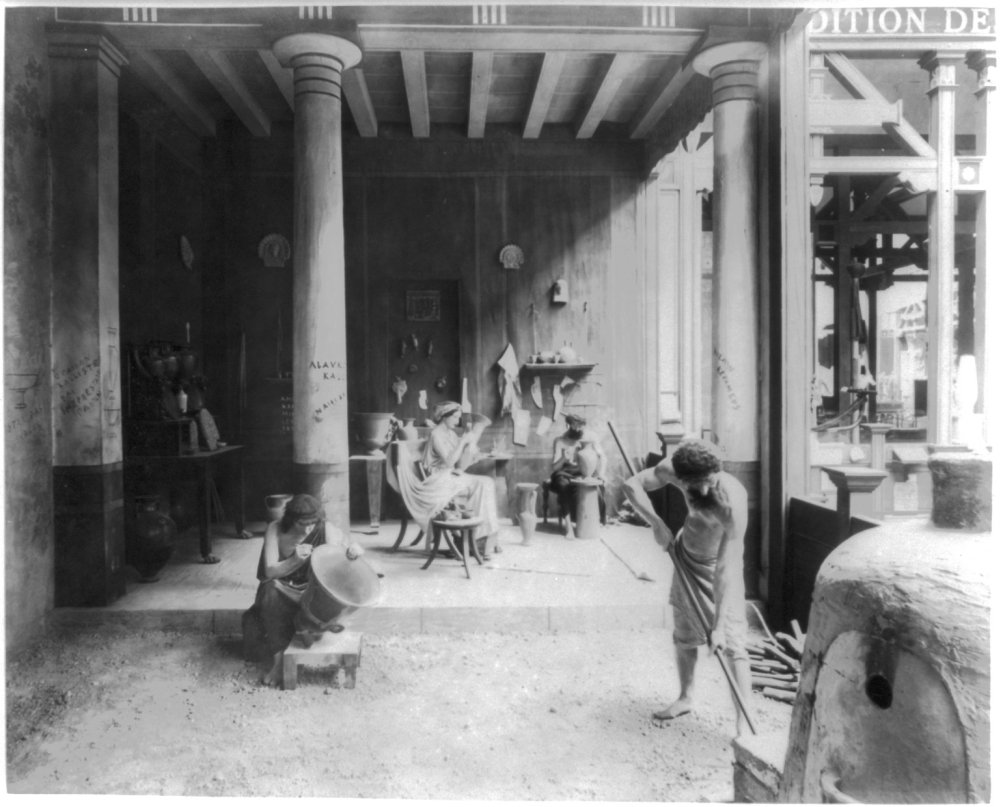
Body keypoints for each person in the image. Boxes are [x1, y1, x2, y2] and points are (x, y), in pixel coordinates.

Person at [623, 438, 753, 737]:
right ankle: (685, 698)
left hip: (718, 567)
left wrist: (718, 625)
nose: (705, 490)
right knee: (684, 635)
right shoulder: (672, 469)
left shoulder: (732, 500)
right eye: (696, 485)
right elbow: (632, 485)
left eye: (710, 482)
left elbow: (726, 567)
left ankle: (743, 721)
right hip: (684, 556)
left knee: (733, 644)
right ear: (681, 478)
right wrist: (655, 522)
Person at [244, 494, 365, 687]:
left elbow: (336, 565)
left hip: (310, 591)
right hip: (281, 589)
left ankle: (310, 627)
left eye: (313, 523)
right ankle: (278, 662)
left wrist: (353, 553)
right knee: (269, 590)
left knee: (334, 597)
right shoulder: (275, 529)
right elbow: (269, 571)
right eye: (302, 524)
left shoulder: (326, 529)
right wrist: (294, 561)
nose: (309, 528)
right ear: (291, 519)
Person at [420, 401, 501, 557]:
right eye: (455, 417)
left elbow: (459, 464)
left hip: (449, 474)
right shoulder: (436, 434)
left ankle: (480, 537)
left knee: (487, 482)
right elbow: (449, 461)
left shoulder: (450, 434)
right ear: (444, 417)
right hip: (438, 478)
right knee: (481, 484)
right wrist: (463, 441)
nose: (458, 421)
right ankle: (471, 538)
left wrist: (472, 455)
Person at [548, 414, 607, 539]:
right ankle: (569, 527)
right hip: (564, 473)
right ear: (568, 426)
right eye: (574, 428)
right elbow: (554, 468)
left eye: (580, 428)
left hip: (581, 472)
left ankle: (596, 522)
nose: (578, 430)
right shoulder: (560, 441)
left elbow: (602, 457)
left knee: (597, 485)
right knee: (563, 485)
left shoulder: (590, 438)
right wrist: (564, 457)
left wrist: (601, 474)